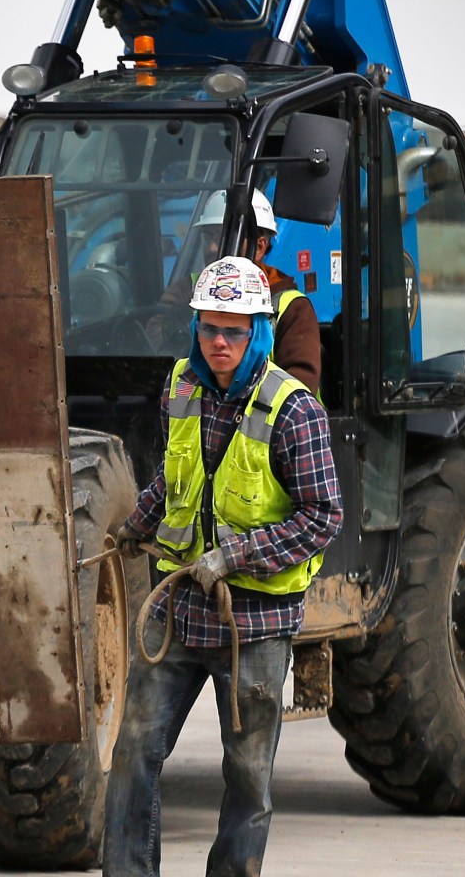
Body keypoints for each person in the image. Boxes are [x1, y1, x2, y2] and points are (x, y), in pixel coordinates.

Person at [106, 257, 343, 877]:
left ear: (258, 333)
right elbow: (176, 474)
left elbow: (323, 517)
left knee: (247, 780)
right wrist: (140, 521)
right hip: (181, 612)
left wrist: (235, 555)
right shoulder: (182, 385)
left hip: (255, 626)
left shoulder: (295, 413)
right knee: (134, 751)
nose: (219, 343)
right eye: (209, 328)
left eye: (234, 331)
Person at [184, 189, 320, 393]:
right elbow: (152, 329)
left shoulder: (291, 307)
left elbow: (298, 388)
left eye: (222, 237)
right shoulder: (188, 289)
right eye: (208, 237)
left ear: (259, 246)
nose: (213, 247)